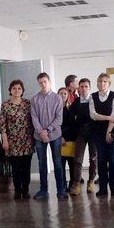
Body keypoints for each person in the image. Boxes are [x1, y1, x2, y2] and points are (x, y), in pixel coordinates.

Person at [31, 72, 67, 200]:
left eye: (45, 82)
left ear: (49, 82)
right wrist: (41, 132)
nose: (43, 84)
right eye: (40, 83)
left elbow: (59, 119)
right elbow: (34, 118)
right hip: (39, 136)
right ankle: (43, 189)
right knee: (42, 163)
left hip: (54, 135)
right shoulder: (34, 99)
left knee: (57, 162)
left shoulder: (57, 98)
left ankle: (60, 190)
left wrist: (47, 130)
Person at [90, 72, 114, 197]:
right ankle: (103, 188)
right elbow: (93, 115)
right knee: (101, 159)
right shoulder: (93, 96)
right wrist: (107, 117)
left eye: (105, 81)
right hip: (98, 132)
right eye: (100, 81)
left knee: (113, 158)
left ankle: (113, 187)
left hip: (112, 131)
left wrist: (108, 132)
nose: (102, 83)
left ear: (109, 83)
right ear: (97, 83)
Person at [0, 79, 33, 200]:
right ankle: (17, 190)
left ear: (22, 90)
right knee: (16, 168)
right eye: (14, 88)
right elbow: (2, 125)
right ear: (10, 90)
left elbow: (34, 120)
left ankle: (26, 189)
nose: (17, 90)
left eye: (19, 88)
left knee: (26, 167)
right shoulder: (5, 105)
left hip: (27, 140)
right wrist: (4, 140)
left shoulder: (28, 103)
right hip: (12, 141)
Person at [69, 78, 98, 195]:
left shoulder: (94, 100)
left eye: (86, 86)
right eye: (81, 87)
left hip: (93, 132)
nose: (84, 89)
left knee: (93, 158)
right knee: (78, 158)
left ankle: (91, 181)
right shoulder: (76, 102)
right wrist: (77, 127)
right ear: (78, 88)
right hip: (80, 132)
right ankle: (76, 184)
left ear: (89, 88)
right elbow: (71, 117)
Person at [58, 86, 77, 191]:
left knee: (72, 163)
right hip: (59, 138)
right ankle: (63, 184)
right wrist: (61, 137)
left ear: (68, 95)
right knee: (61, 163)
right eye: (61, 93)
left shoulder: (71, 108)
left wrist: (66, 137)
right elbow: (55, 125)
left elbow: (72, 124)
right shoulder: (55, 109)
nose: (63, 95)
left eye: (65, 93)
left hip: (71, 138)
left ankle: (72, 183)